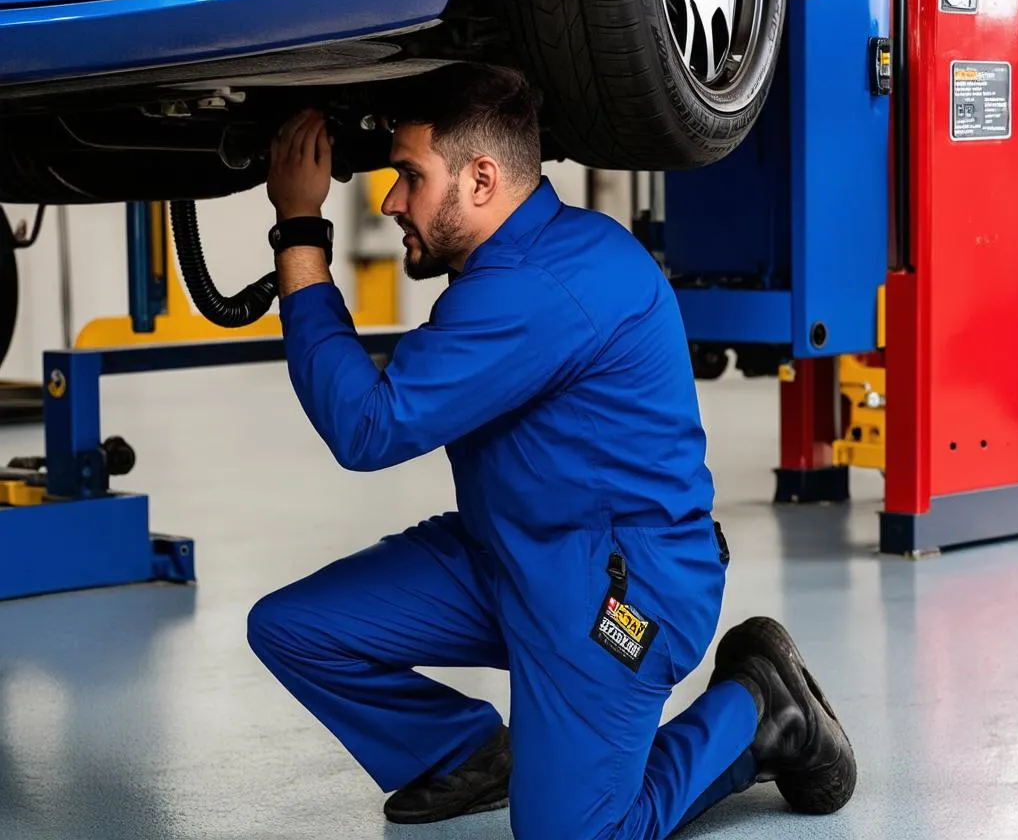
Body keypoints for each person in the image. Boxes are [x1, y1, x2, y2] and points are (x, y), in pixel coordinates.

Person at [247, 63, 856, 838]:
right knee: (295, 628)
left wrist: (299, 228)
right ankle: (461, 756)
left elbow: (368, 427)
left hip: (617, 593)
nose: (391, 200)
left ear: (481, 178)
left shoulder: (539, 287)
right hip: (509, 556)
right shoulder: (508, 267)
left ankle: (762, 710)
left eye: (409, 176)